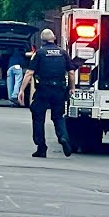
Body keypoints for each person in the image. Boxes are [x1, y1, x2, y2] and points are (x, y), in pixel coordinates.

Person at [18, 28, 75, 158]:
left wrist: (21, 90)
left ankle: (41, 147)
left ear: (42, 40)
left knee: (38, 116)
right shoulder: (63, 53)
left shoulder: (39, 53)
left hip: (43, 89)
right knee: (58, 116)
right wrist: (72, 87)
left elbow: (29, 73)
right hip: (59, 89)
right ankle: (63, 137)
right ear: (54, 38)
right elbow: (71, 72)